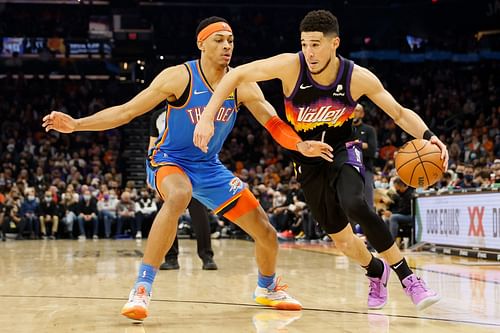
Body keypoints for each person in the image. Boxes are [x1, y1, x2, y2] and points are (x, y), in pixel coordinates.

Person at [42, 16, 333, 321]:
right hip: (169, 160)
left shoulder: (241, 83)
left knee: (267, 233)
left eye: (230, 40)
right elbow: (127, 111)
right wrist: (77, 125)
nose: (226, 46)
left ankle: (267, 287)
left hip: (208, 167)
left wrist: (300, 144)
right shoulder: (178, 77)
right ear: (201, 44)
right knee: (179, 194)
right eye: (219, 39)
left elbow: (273, 123)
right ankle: (142, 288)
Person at [194, 10, 449, 311]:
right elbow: (236, 75)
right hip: (306, 157)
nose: (309, 52)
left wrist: (429, 134)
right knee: (342, 241)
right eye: (304, 44)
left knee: (356, 203)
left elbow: (398, 112)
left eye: (315, 44)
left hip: (343, 147)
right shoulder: (291, 66)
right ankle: (375, 271)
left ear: (334, 43)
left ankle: (409, 279)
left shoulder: (356, 77)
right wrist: (207, 117)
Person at [149, 108, 217, 270]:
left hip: (192, 166)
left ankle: (207, 256)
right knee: (169, 215)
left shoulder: (192, 108)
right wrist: (150, 173)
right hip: (167, 169)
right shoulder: (157, 115)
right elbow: (152, 145)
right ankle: (171, 258)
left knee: (199, 213)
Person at [352, 103, 377, 209]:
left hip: (365, 168)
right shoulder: (346, 130)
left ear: (362, 114)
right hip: (349, 169)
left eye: (357, 111)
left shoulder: (369, 130)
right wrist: (362, 145)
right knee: (350, 201)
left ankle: (370, 225)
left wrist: (354, 146)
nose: (354, 113)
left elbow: (372, 151)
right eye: (353, 110)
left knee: (368, 202)